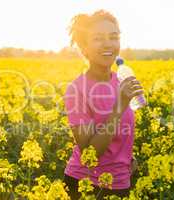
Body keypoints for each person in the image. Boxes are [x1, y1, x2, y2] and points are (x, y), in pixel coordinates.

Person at [63, 9, 141, 199]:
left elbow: (121, 133)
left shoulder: (121, 80)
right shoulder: (76, 89)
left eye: (113, 37)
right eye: (98, 38)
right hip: (87, 185)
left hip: (122, 182)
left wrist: (127, 159)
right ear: (84, 48)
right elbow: (90, 154)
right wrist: (120, 105)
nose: (108, 44)